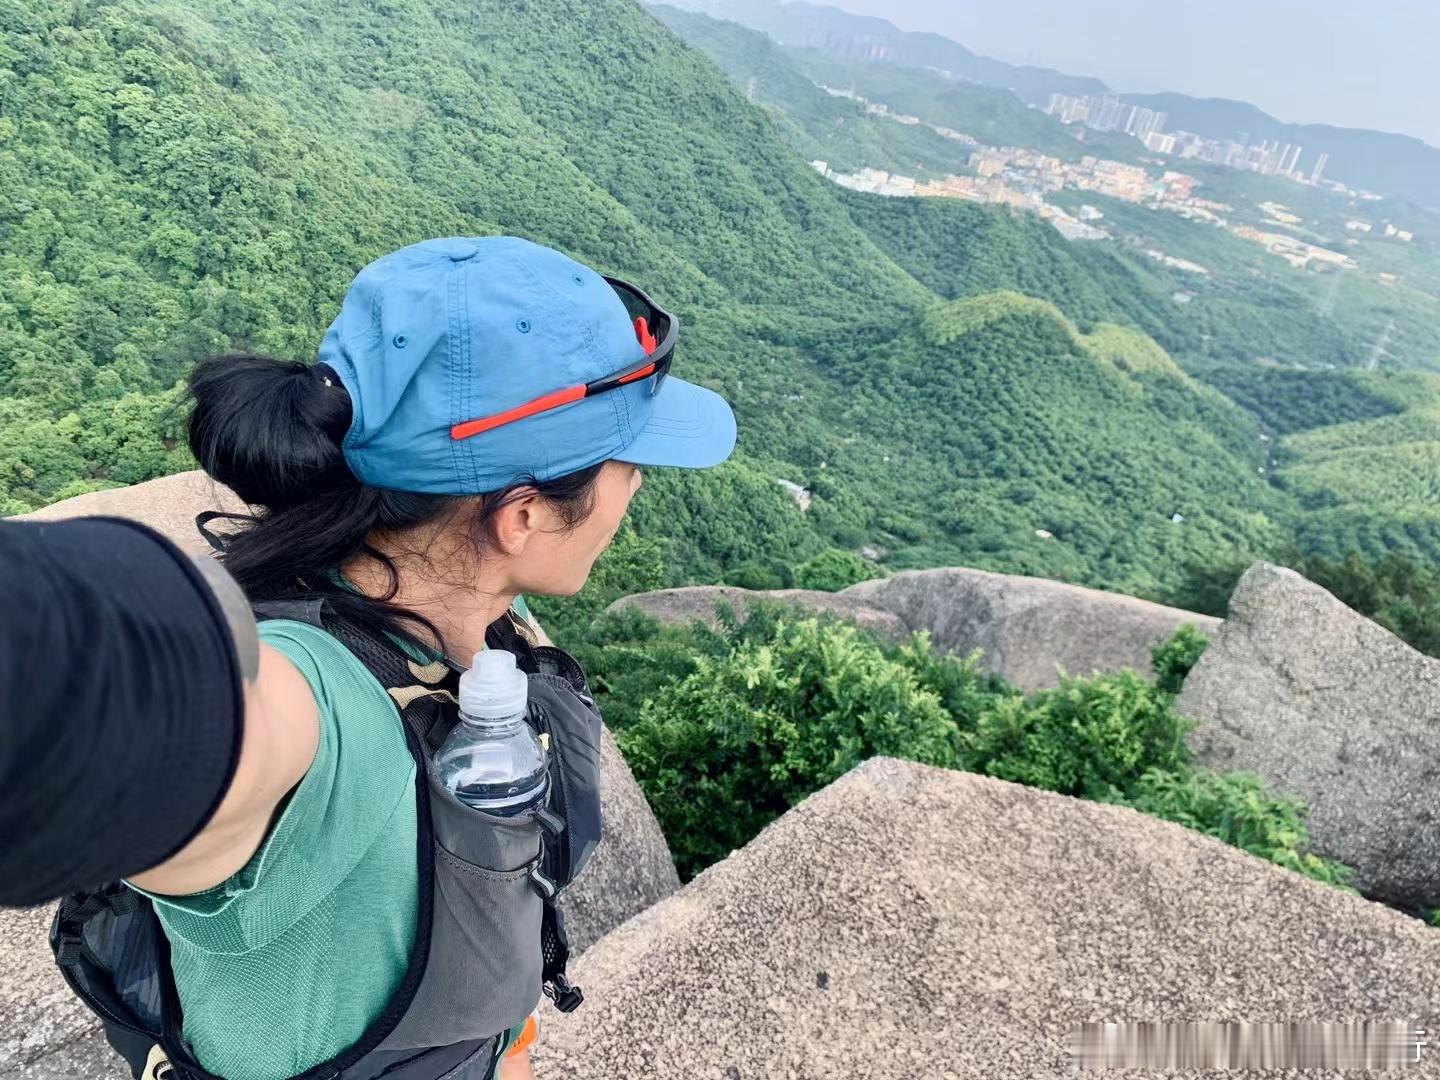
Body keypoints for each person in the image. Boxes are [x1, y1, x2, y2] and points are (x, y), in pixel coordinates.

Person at [0, 235, 737, 1080]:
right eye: (629, 462)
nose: (636, 486)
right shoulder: (311, 712)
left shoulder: (468, 610)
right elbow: (131, 711)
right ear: (522, 517)